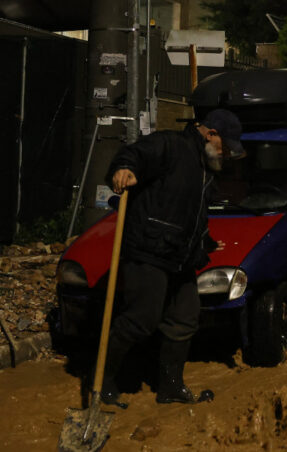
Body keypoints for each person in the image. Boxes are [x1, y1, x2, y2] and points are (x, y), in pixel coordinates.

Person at [101, 108, 245, 407]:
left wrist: (204, 242)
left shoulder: (205, 168)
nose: (227, 153)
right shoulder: (170, 145)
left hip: (181, 256)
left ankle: (170, 386)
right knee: (141, 319)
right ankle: (103, 381)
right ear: (211, 134)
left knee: (185, 318)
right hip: (149, 250)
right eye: (225, 145)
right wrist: (124, 167)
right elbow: (134, 154)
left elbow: (190, 213)